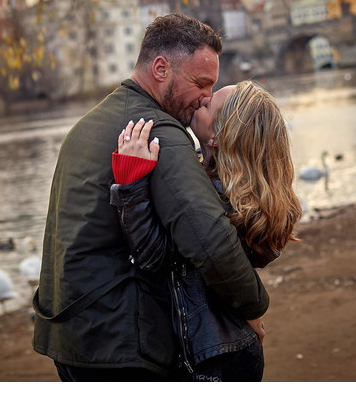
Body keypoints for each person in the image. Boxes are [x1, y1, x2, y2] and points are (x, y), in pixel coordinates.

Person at [32, 14, 270, 381]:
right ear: (161, 68)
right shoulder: (157, 130)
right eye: (201, 83)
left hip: (69, 336)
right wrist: (252, 305)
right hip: (121, 342)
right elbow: (210, 240)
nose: (206, 96)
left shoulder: (90, 123)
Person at [110, 80, 302, 381]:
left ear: (216, 138)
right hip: (237, 346)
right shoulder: (248, 202)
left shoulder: (210, 200)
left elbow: (152, 254)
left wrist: (130, 185)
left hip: (212, 357)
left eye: (207, 105)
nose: (202, 100)